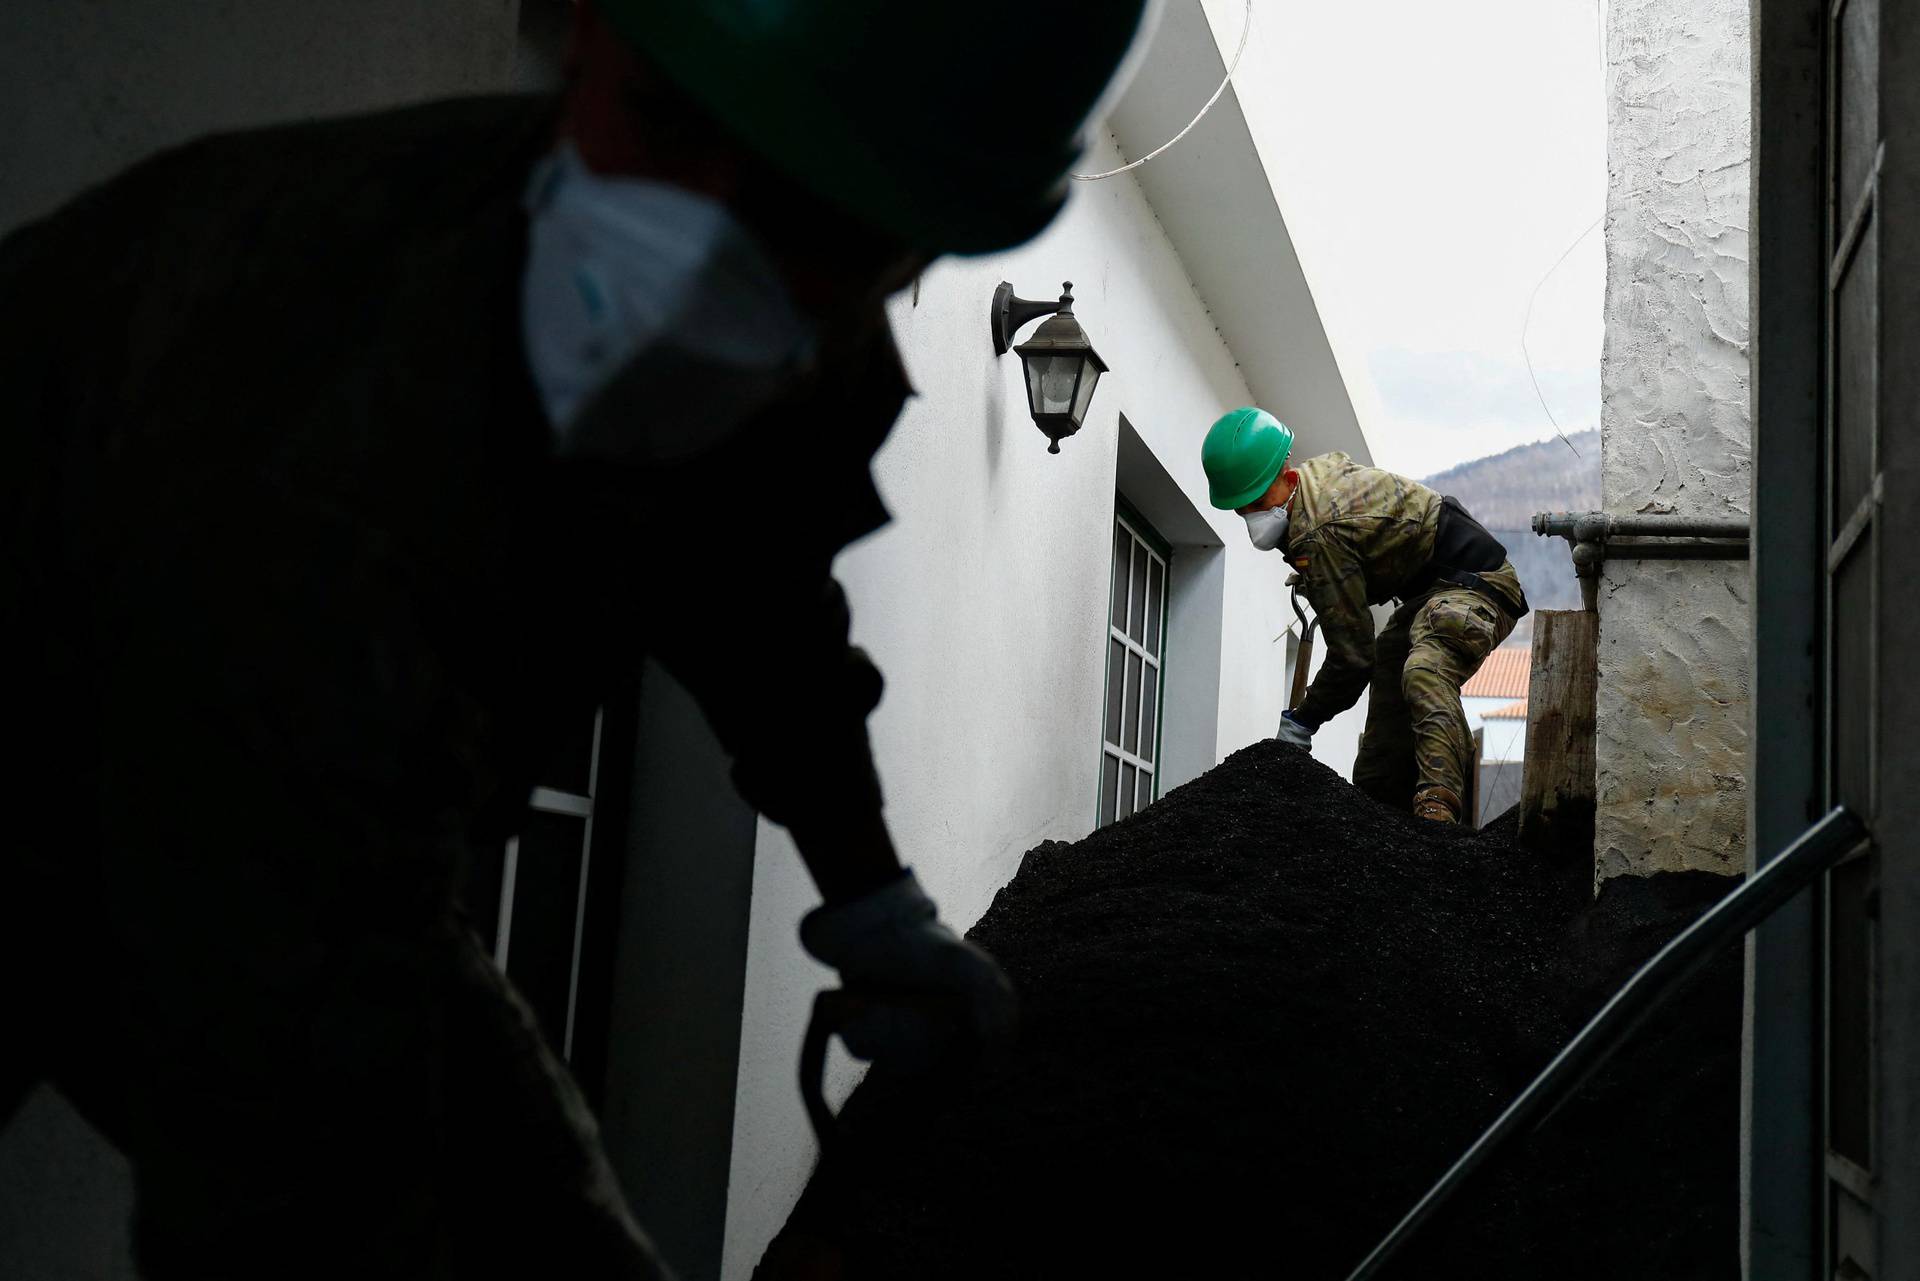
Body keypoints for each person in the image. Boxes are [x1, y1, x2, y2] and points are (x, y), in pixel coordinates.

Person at [0, 2, 1156, 1276]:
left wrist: (872, 894)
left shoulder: (808, 374)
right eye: (664, 126)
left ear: (921, 243)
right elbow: (277, 1110)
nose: (694, 256)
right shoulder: (290, 387)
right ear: (585, 30)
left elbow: (757, 601)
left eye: (810, 222)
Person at [1200, 407, 1529, 824]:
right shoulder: (1312, 493)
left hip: (1477, 583)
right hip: (1424, 591)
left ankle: (1438, 808)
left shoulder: (1318, 534)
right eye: (1242, 509)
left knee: (1425, 669)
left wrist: (1303, 721)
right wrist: (1326, 579)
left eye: (1258, 502)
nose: (1251, 517)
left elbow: (1350, 658)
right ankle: (1375, 813)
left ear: (1288, 479)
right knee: (1390, 662)